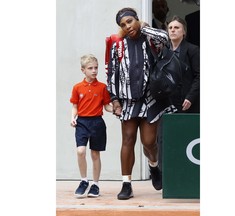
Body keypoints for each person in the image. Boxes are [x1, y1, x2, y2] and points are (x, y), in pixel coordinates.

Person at [107, 7, 177, 200]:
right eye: (123, 25)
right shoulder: (118, 46)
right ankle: (126, 184)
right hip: (128, 101)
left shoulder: (150, 39)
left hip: (150, 99)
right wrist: (114, 99)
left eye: (130, 21)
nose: (127, 27)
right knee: (128, 140)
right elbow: (112, 73)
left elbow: (165, 37)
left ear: (136, 19)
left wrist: (144, 27)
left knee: (148, 142)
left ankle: (154, 166)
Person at [70, 54, 113, 198]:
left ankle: (95, 184)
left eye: (96, 68)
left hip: (97, 123)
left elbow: (106, 106)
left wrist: (116, 109)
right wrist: (73, 118)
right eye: (90, 68)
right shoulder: (77, 87)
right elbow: (75, 106)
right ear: (83, 70)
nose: (94, 71)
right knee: (80, 151)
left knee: (95, 154)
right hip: (82, 122)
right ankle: (84, 181)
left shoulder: (102, 87)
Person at [167, 15, 200, 113]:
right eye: (170, 28)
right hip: (167, 103)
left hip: (186, 102)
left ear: (184, 32)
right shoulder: (163, 50)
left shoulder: (193, 50)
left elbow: (200, 75)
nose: (173, 30)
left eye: (177, 28)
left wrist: (190, 97)